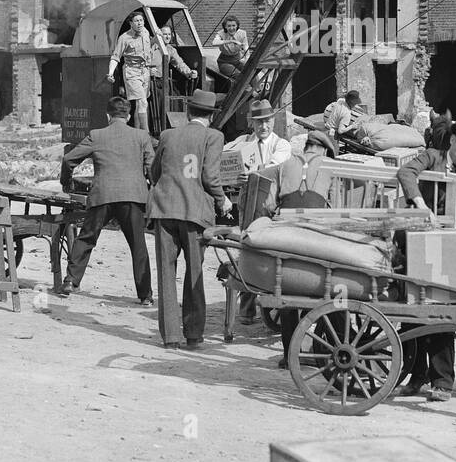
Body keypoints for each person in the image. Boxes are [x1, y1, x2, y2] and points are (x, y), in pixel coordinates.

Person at [395, 116, 456, 401]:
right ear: (452, 141)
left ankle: (442, 382)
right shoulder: (431, 157)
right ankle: (416, 375)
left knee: (443, 311)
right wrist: (420, 204)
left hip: (443, 247)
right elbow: (406, 173)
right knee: (411, 311)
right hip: (414, 242)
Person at [146, 88, 231, 349]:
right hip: (195, 213)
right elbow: (209, 176)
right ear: (211, 115)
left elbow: (154, 171)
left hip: (165, 210)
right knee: (194, 273)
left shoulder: (168, 135)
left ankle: (171, 337)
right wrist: (222, 199)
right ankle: (193, 334)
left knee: (166, 274)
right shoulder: (214, 136)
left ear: (188, 111)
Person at [59, 96, 155, 302]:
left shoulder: (97, 135)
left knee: (86, 238)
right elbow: (152, 168)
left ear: (107, 115)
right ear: (128, 116)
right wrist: (152, 189)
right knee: (138, 245)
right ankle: (145, 295)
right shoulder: (142, 136)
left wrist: (66, 182)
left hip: (103, 194)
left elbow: (68, 159)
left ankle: (70, 281)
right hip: (133, 196)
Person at [270, 130, 338, 368]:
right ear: (323, 150)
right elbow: (336, 210)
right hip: (316, 243)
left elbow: (270, 204)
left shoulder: (284, 165)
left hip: (288, 240)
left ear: (307, 147)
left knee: (287, 293)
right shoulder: (330, 167)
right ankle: (329, 344)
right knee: (333, 292)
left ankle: (290, 355)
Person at [234, 99, 294, 324]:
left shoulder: (282, 145)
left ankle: (271, 301)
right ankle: (247, 309)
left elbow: (271, 168)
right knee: (246, 250)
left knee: (269, 253)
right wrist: (237, 177)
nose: (263, 127)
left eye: (267, 121)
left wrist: (250, 173)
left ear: (273, 121)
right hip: (247, 204)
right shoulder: (244, 143)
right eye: (259, 122)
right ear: (252, 123)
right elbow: (230, 165)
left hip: (270, 206)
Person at [106, 12, 153, 131]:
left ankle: (136, 132)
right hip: (132, 72)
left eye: (141, 20)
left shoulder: (146, 32)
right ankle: (145, 134)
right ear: (131, 23)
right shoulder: (124, 38)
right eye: (136, 21)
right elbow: (116, 56)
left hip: (145, 71)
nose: (139, 23)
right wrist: (110, 73)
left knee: (141, 104)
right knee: (142, 102)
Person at [215, 16, 250, 80]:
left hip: (237, 60)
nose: (231, 28)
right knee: (239, 75)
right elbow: (214, 43)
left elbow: (246, 46)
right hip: (224, 61)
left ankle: (258, 89)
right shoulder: (220, 33)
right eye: (229, 26)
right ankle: (248, 89)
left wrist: (246, 58)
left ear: (237, 26)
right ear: (225, 27)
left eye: (234, 25)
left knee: (250, 72)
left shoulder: (242, 33)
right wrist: (231, 41)